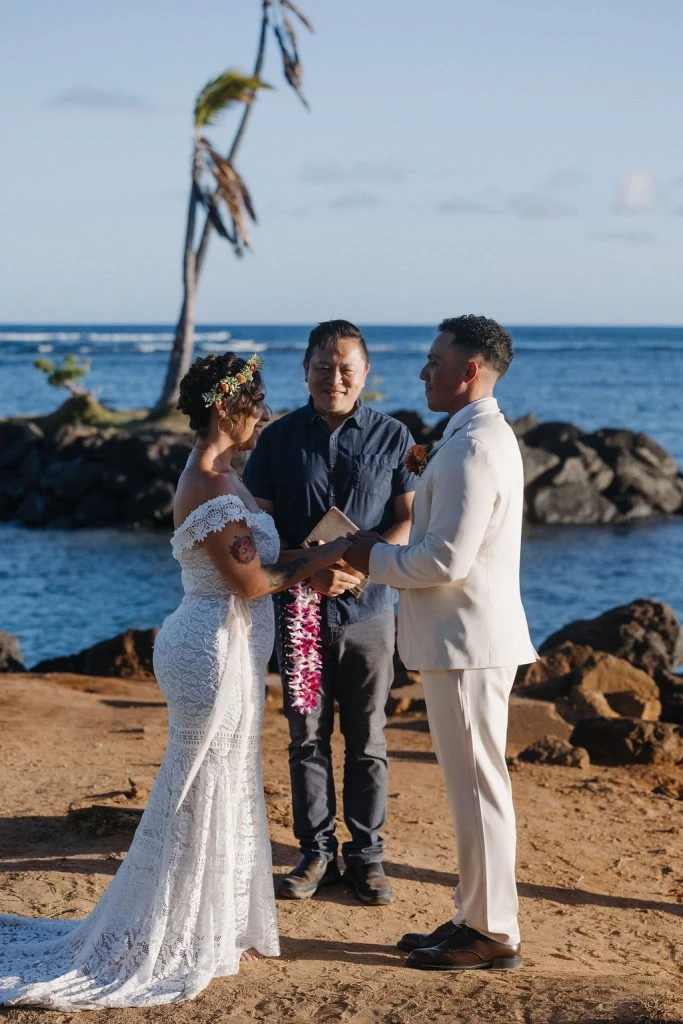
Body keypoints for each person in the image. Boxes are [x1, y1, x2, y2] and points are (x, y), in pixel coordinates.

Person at [0, 352, 349, 1009]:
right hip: (210, 650)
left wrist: (318, 556)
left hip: (233, 648)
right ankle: (175, 936)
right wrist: (325, 557)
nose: (265, 413)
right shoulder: (210, 484)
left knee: (228, 782)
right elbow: (251, 581)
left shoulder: (229, 478)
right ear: (225, 406)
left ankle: (214, 928)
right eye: (256, 401)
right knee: (198, 788)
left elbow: (267, 561)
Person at [344, 315, 537, 970]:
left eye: (433, 360)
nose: (423, 371)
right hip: (462, 641)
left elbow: (443, 562)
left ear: (469, 371)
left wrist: (365, 553)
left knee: (479, 787)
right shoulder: (468, 437)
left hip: (468, 643)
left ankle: (493, 930)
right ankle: (472, 916)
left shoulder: (474, 446)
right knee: (468, 787)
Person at [244, 320, 415, 906]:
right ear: (306, 370)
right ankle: (316, 851)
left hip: (371, 613)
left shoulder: (396, 437)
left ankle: (367, 858)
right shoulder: (277, 440)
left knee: (368, 739)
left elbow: (407, 519)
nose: (334, 377)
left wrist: (363, 566)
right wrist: (308, 570)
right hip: (301, 616)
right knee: (307, 737)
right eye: (323, 366)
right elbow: (260, 535)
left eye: (346, 367)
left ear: (365, 373)